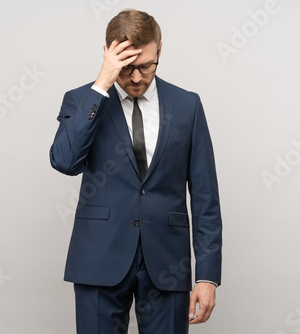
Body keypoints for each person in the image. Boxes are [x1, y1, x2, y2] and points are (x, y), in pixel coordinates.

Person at [50, 9, 222, 334]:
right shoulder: (80, 100)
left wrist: (207, 275)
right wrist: (102, 85)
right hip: (99, 257)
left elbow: (205, 197)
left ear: (160, 50)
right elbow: (64, 161)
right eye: (127, 69)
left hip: (168, 263)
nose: (138, 78)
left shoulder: (188, 105)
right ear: (108, 55)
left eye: (146, 66)